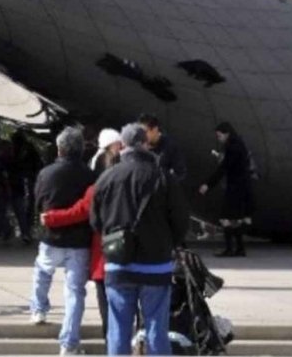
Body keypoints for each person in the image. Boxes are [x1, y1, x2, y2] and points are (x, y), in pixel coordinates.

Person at [90, 123, 190, 356]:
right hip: (156, 265)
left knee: (118, 329)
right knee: (157, 326)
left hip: (118, 263)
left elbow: (95, 221)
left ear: (122, 146)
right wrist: (168, 243)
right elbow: (181, 220)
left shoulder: (106, 178)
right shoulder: (163, 178)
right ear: (146, 145)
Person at [44, 128, 122, 340]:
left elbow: (78, 212)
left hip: (106, 257)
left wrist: (50, 218)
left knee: (108, 308)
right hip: (138, 258)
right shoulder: (137, 187)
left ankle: (114, 347)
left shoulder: (96, 188)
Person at [29, 127, 94, 355]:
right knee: (75, 292)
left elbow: (38, 202)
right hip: (79, 240)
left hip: (52, 235)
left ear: (60, 148)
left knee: (42, 271)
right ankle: (68, 343)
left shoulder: (46, 173)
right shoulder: (89, 175)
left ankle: (39, 309)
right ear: (81, 148)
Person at [199, 121, 254, 257]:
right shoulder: (239, 145)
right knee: (235, 220)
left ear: (227, 134)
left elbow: (224, 168)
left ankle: (230, 249)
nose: (219, 139)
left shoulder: (232, 147)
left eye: (219, 136)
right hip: (241, 187)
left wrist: (208, 184)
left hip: (235, 188)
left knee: (225, 218)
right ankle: (239, 248)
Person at [138, 113, 187, 180]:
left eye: (145, 132)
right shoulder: (137, 144)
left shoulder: (170, 146)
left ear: (155, 129)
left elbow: (180, 173)